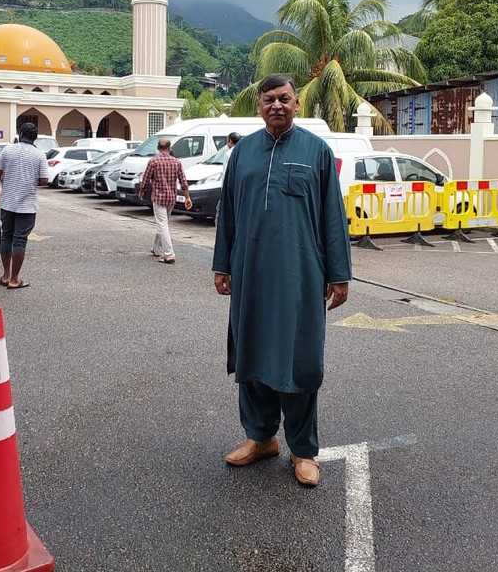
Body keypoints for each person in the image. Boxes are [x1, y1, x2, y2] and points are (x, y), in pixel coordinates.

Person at [212, 74, 351, 488]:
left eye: (284, 99)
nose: (277, 105)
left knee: (299, 361)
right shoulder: (243, 154)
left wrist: (339, 274)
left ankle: (304, 450)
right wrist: (223, 265)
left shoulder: (317, 152)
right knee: (252, 356)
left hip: (300, 277)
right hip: (251, 274)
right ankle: (260, 438)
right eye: (269, 99)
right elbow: (229, 214)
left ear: (296, 104)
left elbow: (332, 218)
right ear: (258, 105)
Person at [0, 122, 49, 289]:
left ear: (20, 134)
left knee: (7, 237)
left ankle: (6, 276)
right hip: (27, 206)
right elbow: (44, 180)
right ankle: (15, 280)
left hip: (7, 203)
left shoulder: (8, 150)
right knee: (20, 240)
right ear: (35, 137)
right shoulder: (39, 155)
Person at [138, 138, 192, 264]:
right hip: (171, 197)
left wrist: (142, 191)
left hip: (158, 197)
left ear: (158, 148)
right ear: (169, 148)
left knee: (162, 224)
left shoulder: (153, 161)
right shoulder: (176, 162)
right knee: (164, 223)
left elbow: (145, 178)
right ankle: (156, 249)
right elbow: (183, 181)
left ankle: (169, 253)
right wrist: (187, 197)